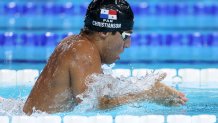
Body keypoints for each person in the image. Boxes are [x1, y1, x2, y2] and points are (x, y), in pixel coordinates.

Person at [23, 0, 188, 115]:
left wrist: (148, 87)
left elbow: (100, 92)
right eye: (125, 35)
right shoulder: (82, 51)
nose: (128, 44)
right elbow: (93, 105)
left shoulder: (75, 44)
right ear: (103, 32)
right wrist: (148, 95)